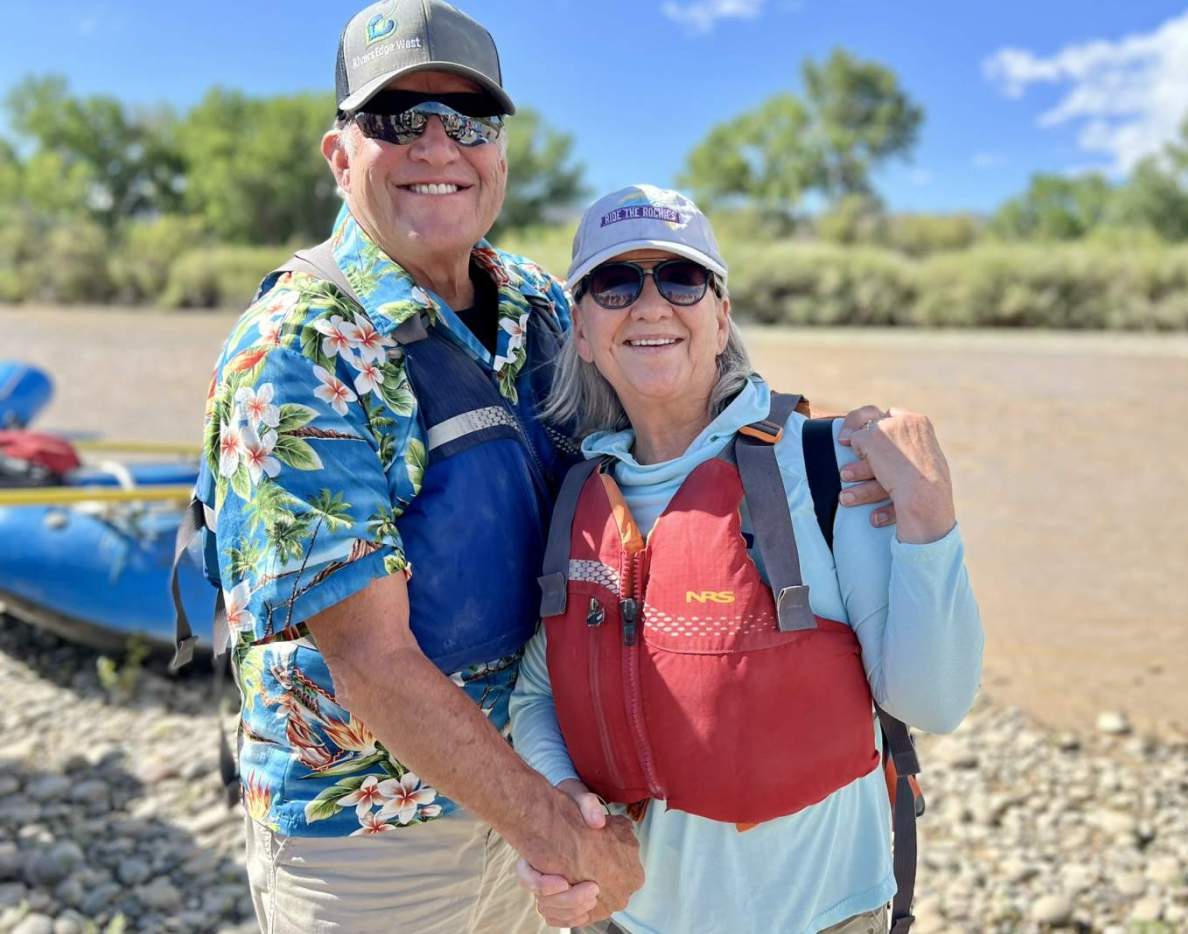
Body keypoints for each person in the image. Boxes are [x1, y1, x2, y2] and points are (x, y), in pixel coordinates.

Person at [187, 4, 903, 930]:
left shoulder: (536, 300)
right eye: (397, 118)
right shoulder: (292, 353)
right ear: (339, 155)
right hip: (383, 839)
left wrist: (848, 454)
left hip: (559, 776)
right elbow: (369, 657)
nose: (438, 145)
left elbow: (682, 401)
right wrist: (557, 832)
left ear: (501, 154)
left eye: (469, 120)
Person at [508, 185, 985, 934]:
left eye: (682, 278)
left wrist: (931, 514)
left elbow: (937, 702)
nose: (651, 304)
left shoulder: (829, 470)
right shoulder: (577, 497)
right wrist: (565, 801)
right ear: (582, 331)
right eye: (615, 283)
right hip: (628, 920)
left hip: (824, 916)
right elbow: (537, 693)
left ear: (721, 316)